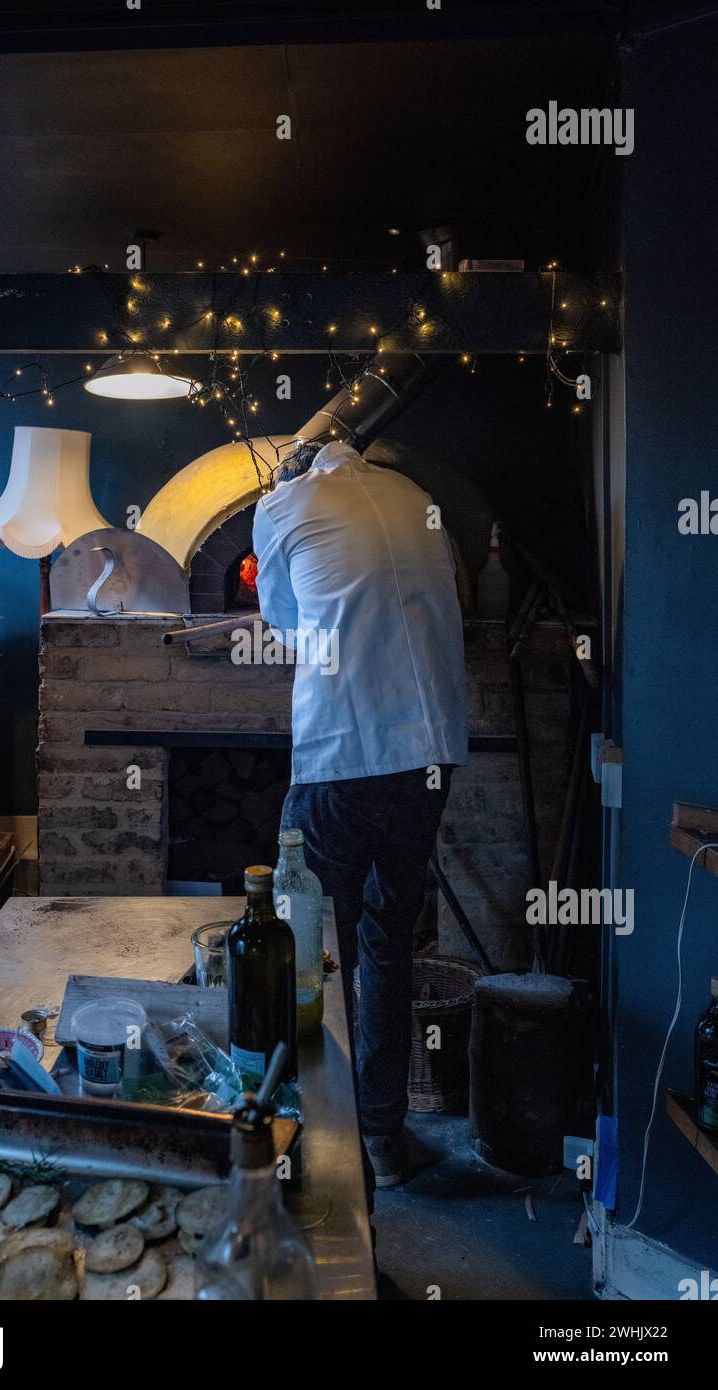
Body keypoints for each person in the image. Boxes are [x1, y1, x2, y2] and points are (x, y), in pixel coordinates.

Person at [253, 437, 468, 1187]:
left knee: (302, 949)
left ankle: (311, 1140)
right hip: (432, 753)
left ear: (296, 468)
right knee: (386, 942)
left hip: (343, 753)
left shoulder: (281, 505)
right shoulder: (415, 496)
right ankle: (381, 1135)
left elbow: (284, 622)